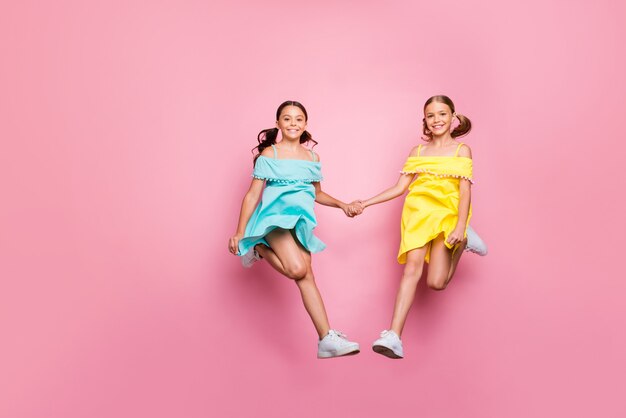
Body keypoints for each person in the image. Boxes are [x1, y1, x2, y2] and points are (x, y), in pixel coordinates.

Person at [228, 100, 361, 359]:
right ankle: (257, 246)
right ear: (278, 123)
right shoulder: (270, 155)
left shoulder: (312, 157)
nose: (293, 123)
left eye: (298, 119)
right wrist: (240, 232)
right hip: (272, 220)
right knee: (298, 268)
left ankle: (326, 338)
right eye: (287, 119)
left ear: (305, 124)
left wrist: (342, 205)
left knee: (305, 274)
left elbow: (316, 194)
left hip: (298, 220)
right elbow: (253, 195)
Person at [358, 95, 479, 359]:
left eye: (442, 114)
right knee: (412, 268)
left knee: (437, 283)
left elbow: (465, 192)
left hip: (447, 217)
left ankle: (465, 240)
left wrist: (461, 225)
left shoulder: (462, 151)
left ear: (453, 117)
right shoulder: (418, 152)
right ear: (425, 120)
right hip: (418, 215)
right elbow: (399, 187)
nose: (437, 120)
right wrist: (366, 203)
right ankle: (394, 335)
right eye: (431, 115)